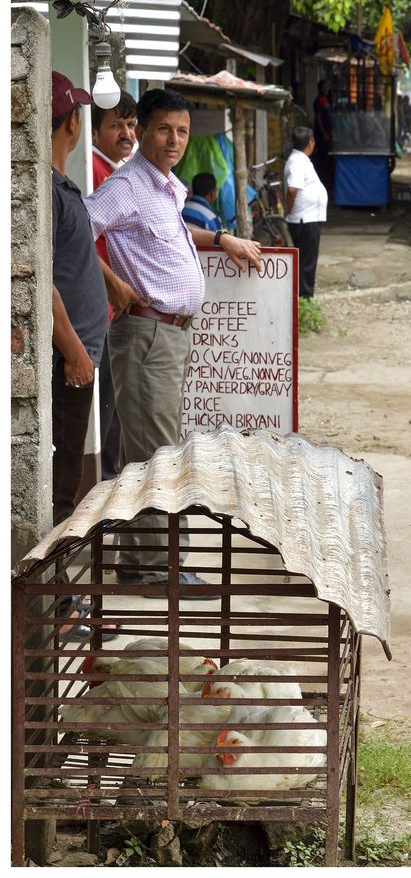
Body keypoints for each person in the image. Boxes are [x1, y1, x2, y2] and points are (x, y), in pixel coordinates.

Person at [85, 88, 262, 587]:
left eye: (182, 131)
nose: (175, 139)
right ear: (142, 131)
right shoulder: (127, 186)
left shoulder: (164, 187)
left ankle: (138, 564)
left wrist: (222, 238)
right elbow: (75, 226)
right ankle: (167, 566)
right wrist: (113, 282)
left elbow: (173, 231)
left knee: (148, 452)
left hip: (168, 337)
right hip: (145, 333)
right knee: (159, 453)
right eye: (164, 129)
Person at [51, 72, 142, 639]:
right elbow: (38, 281)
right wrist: (74, 351)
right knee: (62, 484)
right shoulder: (42, 188)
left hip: (85, 348)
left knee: (72, 476)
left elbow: (72, 260)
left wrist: (108, 283)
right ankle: (58, 610)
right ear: (72, 124)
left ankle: (62, 603)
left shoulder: (60, 188)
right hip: (71, 361)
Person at [90, 90, 138, 481]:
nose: (126, 133)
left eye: (130, 124)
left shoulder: (118, 171)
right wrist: (115, 285)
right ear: (91, 132)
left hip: (115, 309)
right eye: (115, 125)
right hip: (103, 307)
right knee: (108, 409)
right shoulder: (94, 172)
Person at [284, 126, 328, 299]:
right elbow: (293, 189)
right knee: (306, 264)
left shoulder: (301, 159)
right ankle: (304, 300)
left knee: (307, 262)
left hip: (309, 218)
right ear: (310, 143)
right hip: (304, 220)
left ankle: (303, 298)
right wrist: (288, 210)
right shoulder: (296, 161)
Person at [312, 79, 332, 186]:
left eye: (327, 87)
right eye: (323, 87)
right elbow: (318, 118)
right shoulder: (318, 101)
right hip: (321, 134)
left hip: (327, 132)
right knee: (322, 156)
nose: (326, 89)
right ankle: (322, 178)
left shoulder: (326, 99)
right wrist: (323, 133)